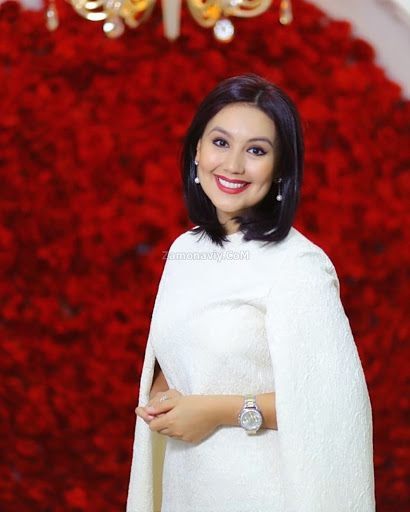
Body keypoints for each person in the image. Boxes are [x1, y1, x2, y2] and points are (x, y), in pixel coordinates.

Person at [126, 74, 375, 512]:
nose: (234, 165)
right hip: (189, 487)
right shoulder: (186, 250)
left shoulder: (298, 265)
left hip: (264, 492)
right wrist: (163, 395)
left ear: (280, 169)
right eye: (220, 143)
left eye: (256, 150)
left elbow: (331, 405)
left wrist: (216, 411)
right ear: (196, 151)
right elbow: (176, 352)